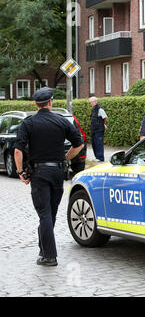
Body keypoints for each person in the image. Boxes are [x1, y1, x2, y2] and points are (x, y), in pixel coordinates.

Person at [14, 87, 84, 266]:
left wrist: (21, 172)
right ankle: (43, 247)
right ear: (51, 102)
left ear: (36, 104)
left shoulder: (28, 123)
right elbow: (79, 144)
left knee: (44, 213)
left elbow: (17, 150)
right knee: (50, 213)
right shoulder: (61, 121)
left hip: (39, 174)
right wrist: (65, 158)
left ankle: (49, 256)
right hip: (57, 173)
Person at [89, 96, 108, 162]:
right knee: (94, 143)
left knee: (99, 143)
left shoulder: (100, 109)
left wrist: (103, 124)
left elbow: (105, 117)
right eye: (90, 102)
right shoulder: (93, 109)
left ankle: (100, 158)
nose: (91, 103)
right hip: (94, 129)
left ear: (96, 102)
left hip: (99, 129)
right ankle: (97, 157)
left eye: (92, 102)